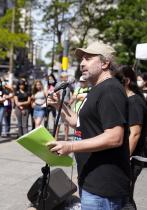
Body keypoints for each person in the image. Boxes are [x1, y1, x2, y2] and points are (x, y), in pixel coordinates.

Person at [47, 42, 131, 209]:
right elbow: (78, 122)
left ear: (105, 63)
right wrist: (59, 106)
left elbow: (115, 137)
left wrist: (70, 146)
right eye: (81, 59)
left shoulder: (110, 90)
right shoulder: (97, 89)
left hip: (103, 187)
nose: (82, 63)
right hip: (91, 180)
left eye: (88, 58)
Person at [114, 65, 147, 209]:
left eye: (116, 81)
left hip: (133, 158)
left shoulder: (135, 102)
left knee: (124, 197)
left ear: (126, 81)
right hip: (129, 156)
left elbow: (135, 133)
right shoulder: (129, 99)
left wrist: (124, 157)